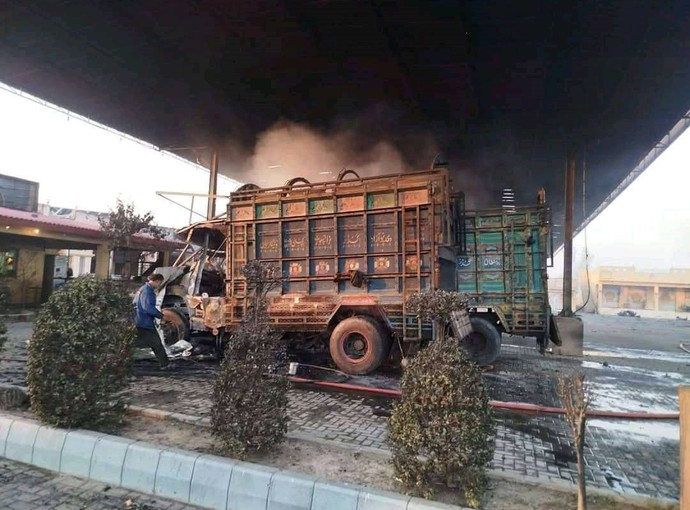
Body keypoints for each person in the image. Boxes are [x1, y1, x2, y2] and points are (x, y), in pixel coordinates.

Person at [133, 273, 170, 369]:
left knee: (133, 343)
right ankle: (165, 364)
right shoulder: (147, 292)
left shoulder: (142, 289)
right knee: (157, 343)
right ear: (156, 281)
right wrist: (160, 316)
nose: (159, 285)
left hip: (138, 319)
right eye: (159, 283)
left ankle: (118, 362)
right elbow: (148, 308)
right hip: (144, 322)